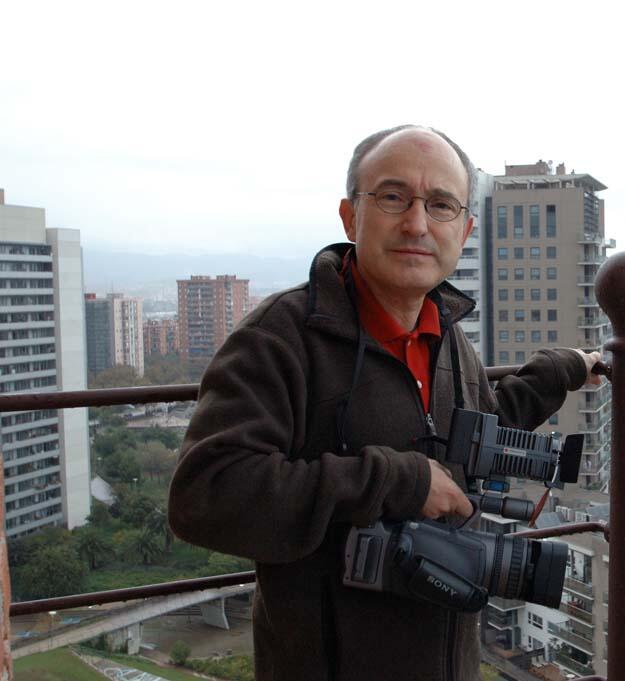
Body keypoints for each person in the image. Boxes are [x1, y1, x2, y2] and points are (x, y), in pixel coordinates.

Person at [168, 124, 602, 681]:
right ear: (351, 216)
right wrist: (399, 483)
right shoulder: (280, 339)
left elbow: (479, 433)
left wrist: (561, 368)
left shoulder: (447, 338)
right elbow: (205, 495)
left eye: (440, 204)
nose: (417, 223)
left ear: (465, 229)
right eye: (394, 197)